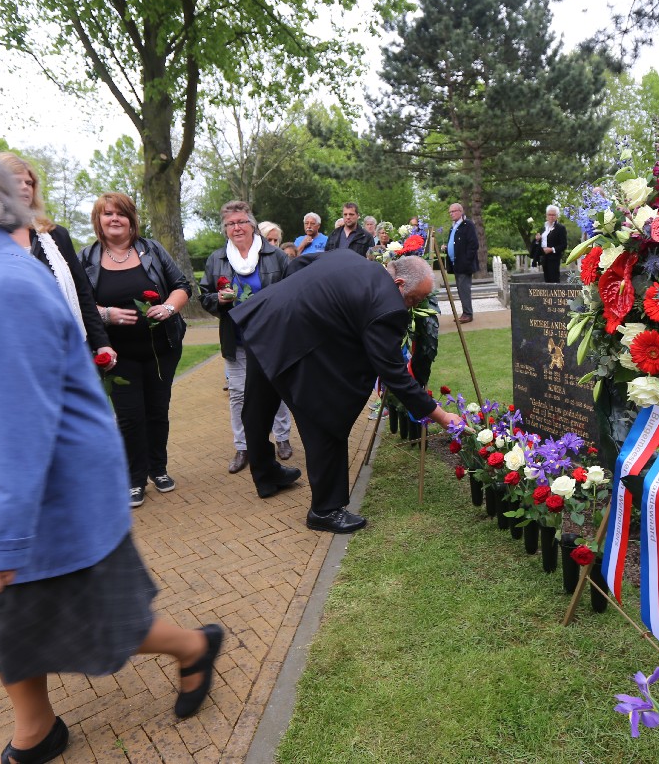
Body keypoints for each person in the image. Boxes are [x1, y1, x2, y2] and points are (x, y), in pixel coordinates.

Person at [0, 139, 223, 764]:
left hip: (42, 497)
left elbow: (17, 421)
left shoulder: (2, 284)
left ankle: (193, 647)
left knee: (94, 617)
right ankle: (36, 727)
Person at [230, 252, 463, 533]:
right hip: (293, 341)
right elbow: (395, 375)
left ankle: (266, 474)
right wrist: (442, 417)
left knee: (258, 406)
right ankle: (324, 511)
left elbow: (300, 264)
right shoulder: (388, 305)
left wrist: (299, 302)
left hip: (264, 317)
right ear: (399, 283)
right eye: (414, 299)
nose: (413, 305)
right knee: (325, 417)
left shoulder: (349, 257)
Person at [81, 192, 192, 508]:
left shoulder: (152, 250)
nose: (114, 219)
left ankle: (158, 468)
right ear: (99, 220)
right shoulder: (86, 258)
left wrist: (168, 308)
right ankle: (134, 478)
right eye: (108, 214)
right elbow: (77, 302)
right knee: (130, 417)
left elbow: (182, 285)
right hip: (116, 354)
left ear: (131, 219)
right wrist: (106, 314)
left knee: (157, 411)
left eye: (121, 213)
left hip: (161, 350)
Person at [199, 202, 296, 475]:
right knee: (239, 395)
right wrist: (218, 299)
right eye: (230, 224)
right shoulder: (217, 259)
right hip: (236, 338)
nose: (237, 227)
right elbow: (205, 295)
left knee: (277, 388)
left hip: (270, 337)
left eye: (241, 221)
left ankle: (282, 437)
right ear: (225, 229)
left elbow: (292, 291)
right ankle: (243, 446)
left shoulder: (275, 256)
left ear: (252, 224)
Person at [0, 153, 116, 362]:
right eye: (16, 181)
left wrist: (101, 342)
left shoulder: (53, 234)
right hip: (12, 353)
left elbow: (82, 292)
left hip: (67, 347)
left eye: (29, 183)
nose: (25, 187)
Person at [445, 202, 478, 323]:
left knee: (464, 289)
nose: (451, 214)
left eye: (453, 211)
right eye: (450, 212)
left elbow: (473, 244)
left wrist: (467, 260)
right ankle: (465, 312)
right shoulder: (453, 226)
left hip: (464, 264)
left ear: (460, 211)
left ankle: (468, 314)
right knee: (460, 289)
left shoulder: (467, 225)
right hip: (456, 264)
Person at [534, 204, 568, 283]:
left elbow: (564, 245)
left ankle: (556, 291)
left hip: (554, 257)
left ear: (557, 216)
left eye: (553, 215)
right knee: (546, 279)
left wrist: (551, 249)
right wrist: (537, 240)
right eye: (549, 215)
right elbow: (539, 243)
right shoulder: (543, 227)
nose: (551, 217)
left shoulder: (560, 228)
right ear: (546, 215)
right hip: (544, 257)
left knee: (554, 279)